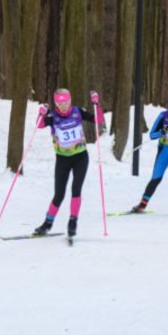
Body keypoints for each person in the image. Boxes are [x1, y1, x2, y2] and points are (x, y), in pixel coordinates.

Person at [32, 88, 104, 239]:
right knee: (59, 194)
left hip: (80, 158)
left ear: (70, 100)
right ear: (56, 103)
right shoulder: (53, 116)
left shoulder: (78, 111)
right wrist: (41, 113)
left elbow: (98, 120)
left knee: (76, 189)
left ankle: (73, 222)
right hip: (62, 159)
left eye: (66, 102)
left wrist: (96, 105)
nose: (63, 106)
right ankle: (47, 223)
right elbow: (38, 125)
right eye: (60, 103)